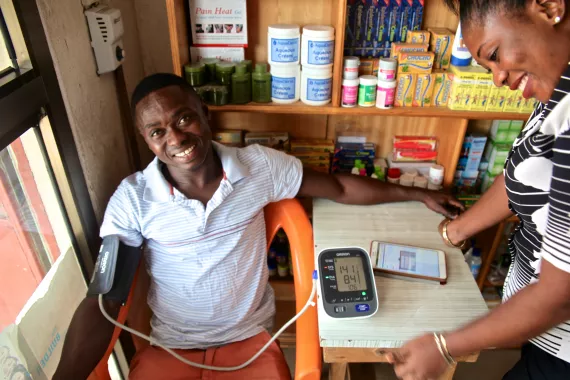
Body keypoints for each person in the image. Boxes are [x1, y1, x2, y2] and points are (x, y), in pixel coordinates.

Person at [53, 73, 461, 380]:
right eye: (158, 132)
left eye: (183, 119)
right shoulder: (133, 199)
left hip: (248, 340)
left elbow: (337, 186)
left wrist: (416, 194)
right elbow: (103, 298)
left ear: (204, 114)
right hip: (173, 347)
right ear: (147, 140)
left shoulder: (259, 167)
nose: (175, 137)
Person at [387, 1, 570, 379]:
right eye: (489, 68)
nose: (498, 79)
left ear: (549, 7)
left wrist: (445, 347)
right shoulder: (556, 89)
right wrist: (454, 231)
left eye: (495, 55)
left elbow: (560, 295)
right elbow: (524, 174)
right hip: (543, 333)